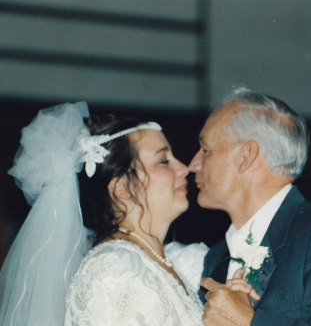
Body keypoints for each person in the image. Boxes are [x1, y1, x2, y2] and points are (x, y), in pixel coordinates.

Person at [0, 102, 256, 326]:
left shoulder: (172, 261)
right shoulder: (114, 268)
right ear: (123, 188)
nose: (184, 168)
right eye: (163, 161)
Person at [189, 87, 311, 325]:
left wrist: (250, 321)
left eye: (206, 150)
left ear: (246, 156)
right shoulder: (216, 257)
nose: (193, 164)